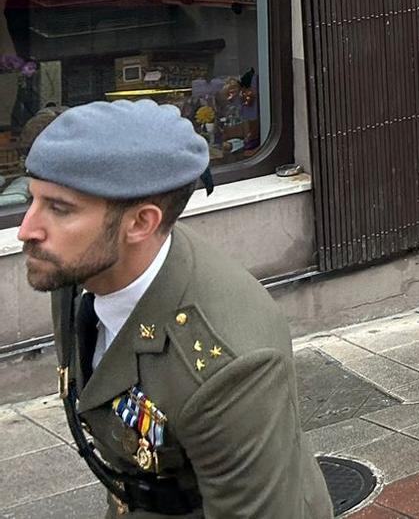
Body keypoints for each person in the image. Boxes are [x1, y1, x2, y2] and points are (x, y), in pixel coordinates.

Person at [22, 100, 334, 517]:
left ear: (141, 224)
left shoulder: (229, 369)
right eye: (33, 199)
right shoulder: (80, 266)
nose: (27, 229)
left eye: (59, 208)